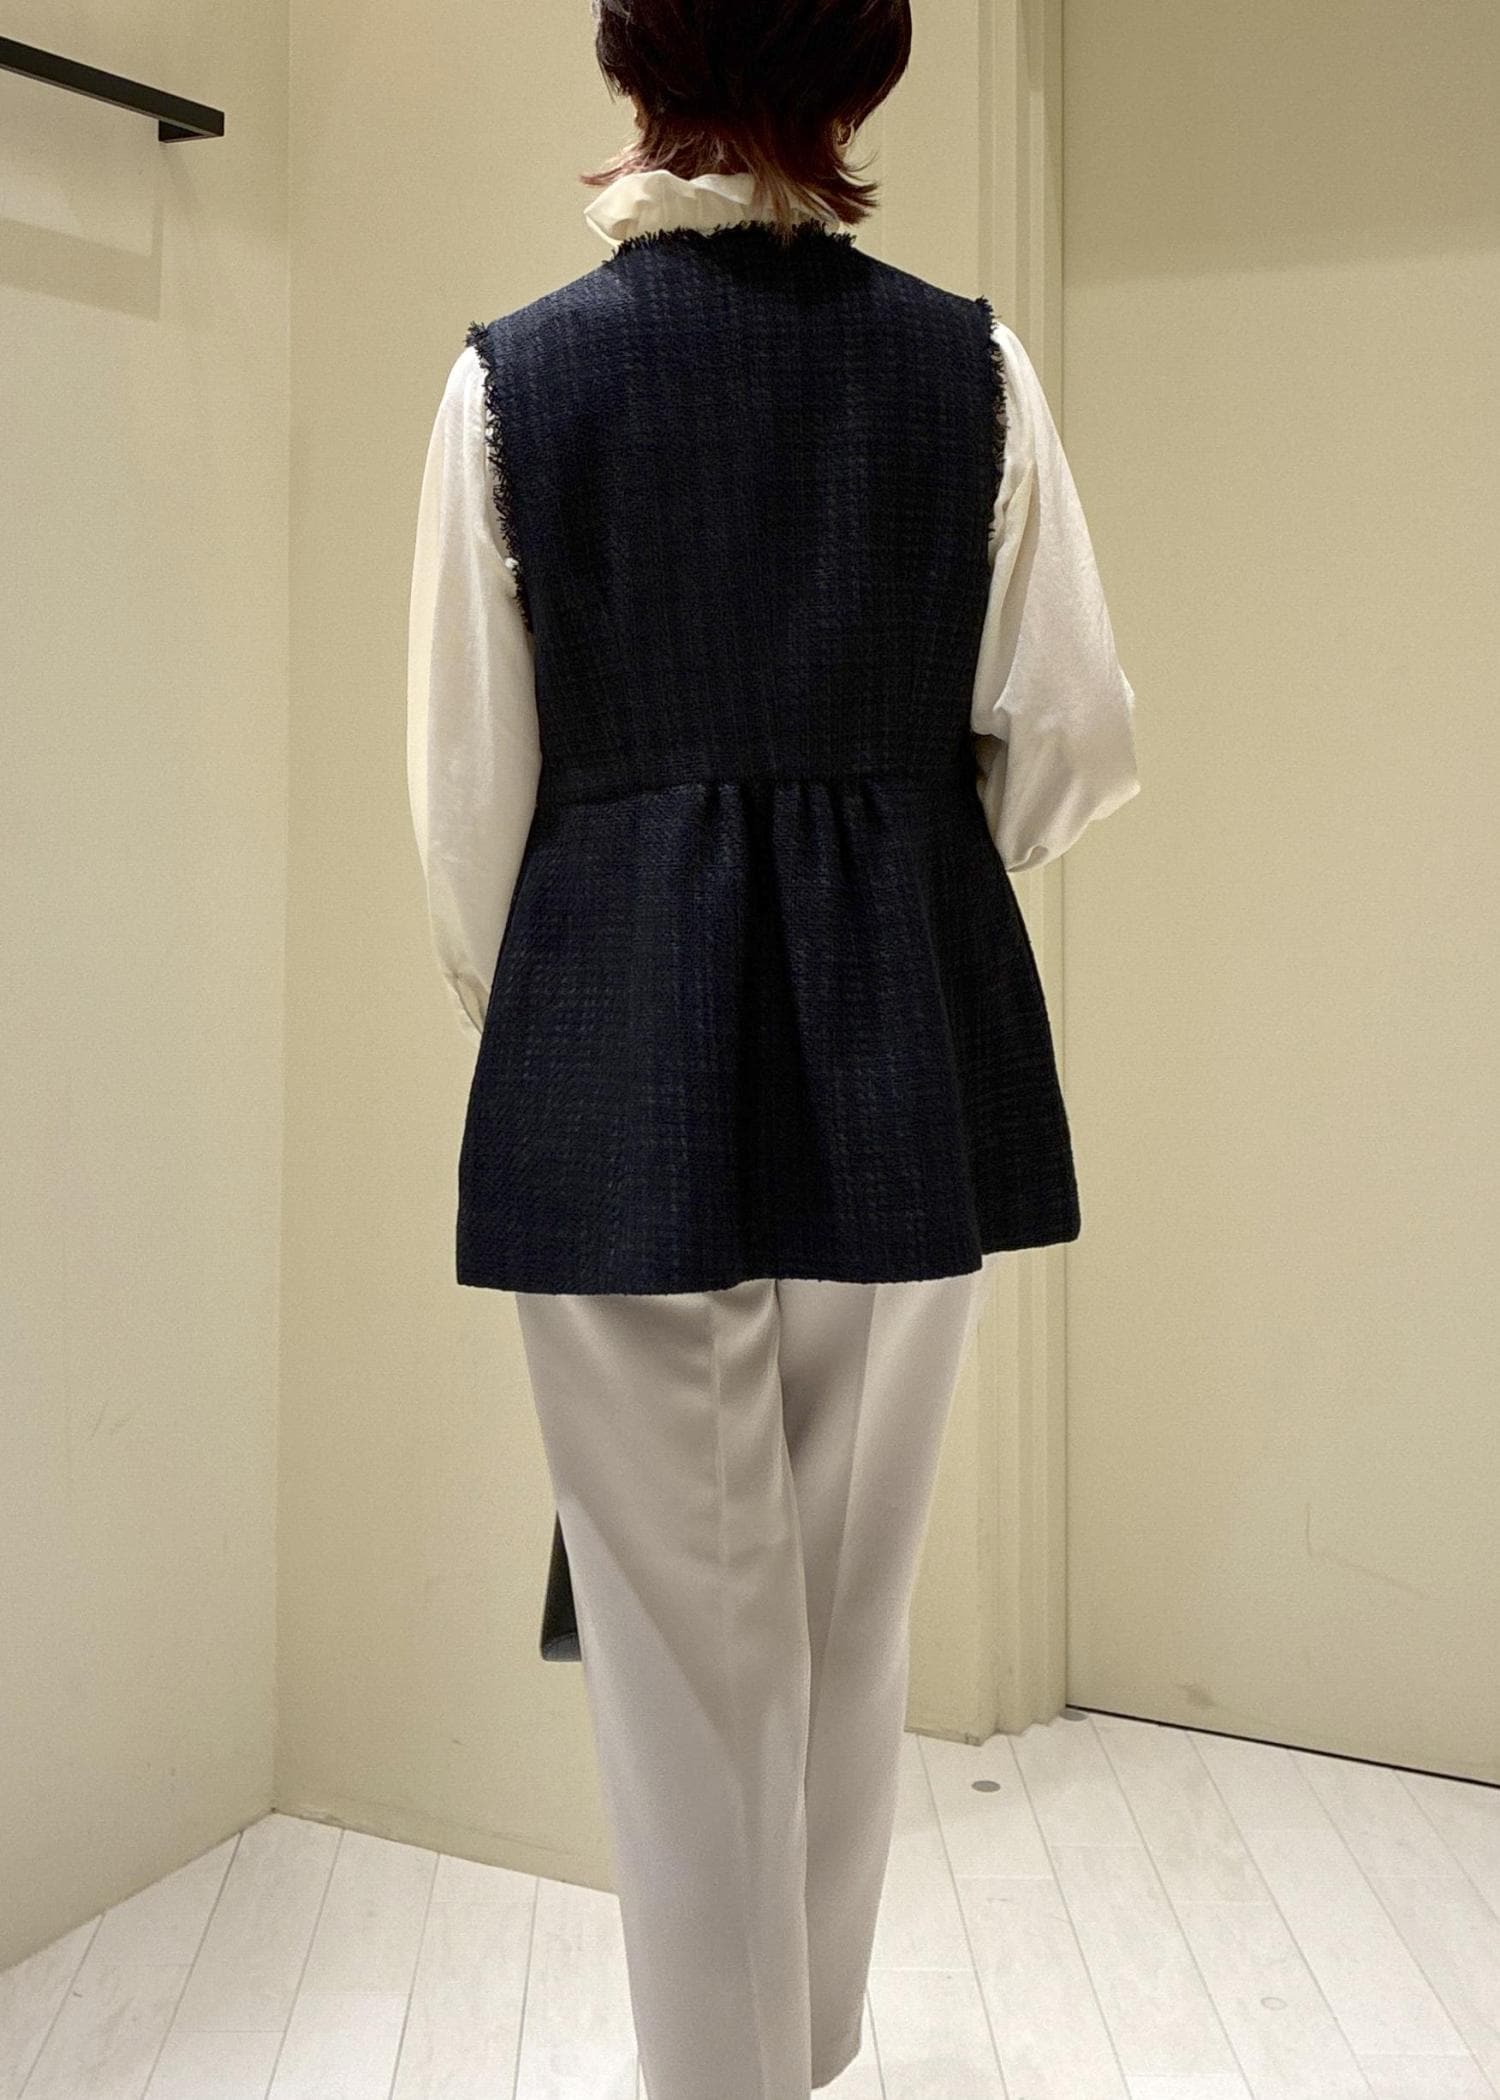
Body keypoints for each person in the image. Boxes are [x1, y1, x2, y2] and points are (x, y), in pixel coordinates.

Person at [406, 3, 1139, 2093]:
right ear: (866, 75)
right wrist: (882, 857)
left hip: (607, 1042)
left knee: (677, 1638)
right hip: (904, 1044)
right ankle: (791, 2060)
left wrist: (580, 995)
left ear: (630, 63)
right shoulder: (972, 370)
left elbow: (469, 817)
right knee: (844, 1603)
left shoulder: (509, 383)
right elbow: (1070, 745)